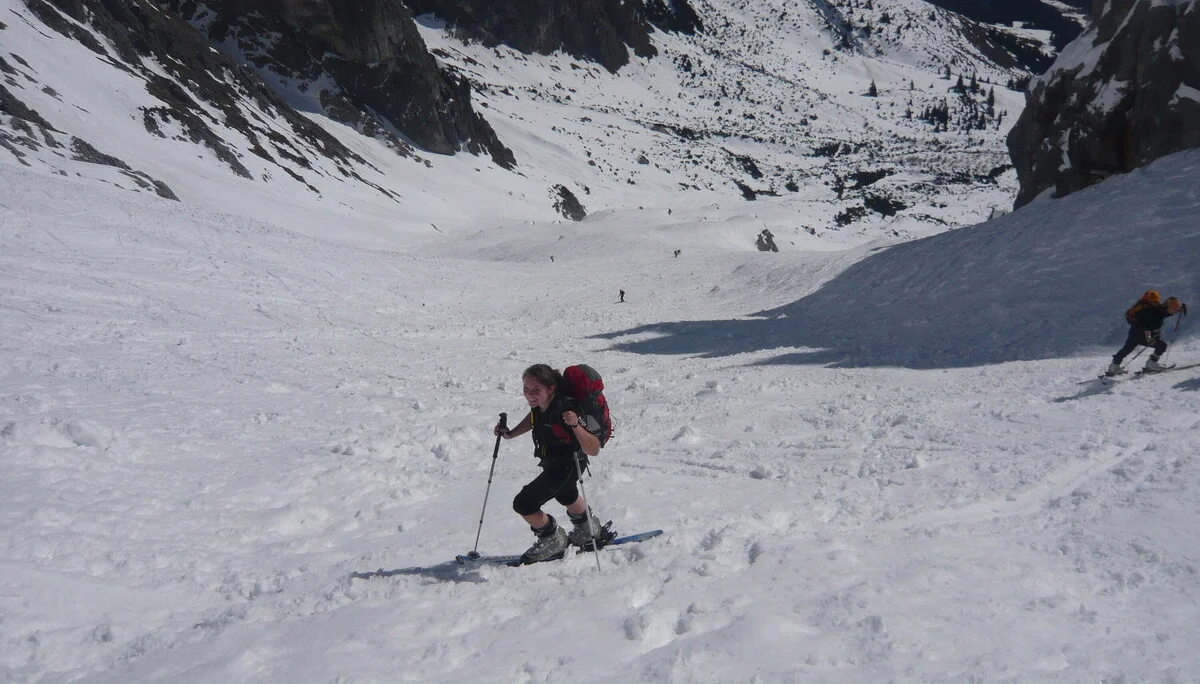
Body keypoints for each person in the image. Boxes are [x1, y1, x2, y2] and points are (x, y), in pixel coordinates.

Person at [494, 364, 604, 562]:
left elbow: (593, 448)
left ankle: (552, 539)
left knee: (524, 503)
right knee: (566, 494)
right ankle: (589, 529)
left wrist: (576, 425)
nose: (530, 395)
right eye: (526, 389)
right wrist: (510, 434)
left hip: (567, 466)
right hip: (553, 463)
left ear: (551, 389)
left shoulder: (566, 409)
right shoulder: (541, 405)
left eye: (536, 390)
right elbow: (535, 418)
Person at [1107, 295, 1187, 375]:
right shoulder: (1158, 313)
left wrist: (1180, 309)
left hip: (1134, 331)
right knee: (1162, 345)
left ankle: (1114, 367)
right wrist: (1149, 338)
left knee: (1126, 349)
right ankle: (1151, 364)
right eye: (1174, 309)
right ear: (1168, 306)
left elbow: (1166, 313)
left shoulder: (1159, 309)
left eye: (1176, 309)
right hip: (1142, 335)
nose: (1175, 311)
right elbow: (1148, 326)